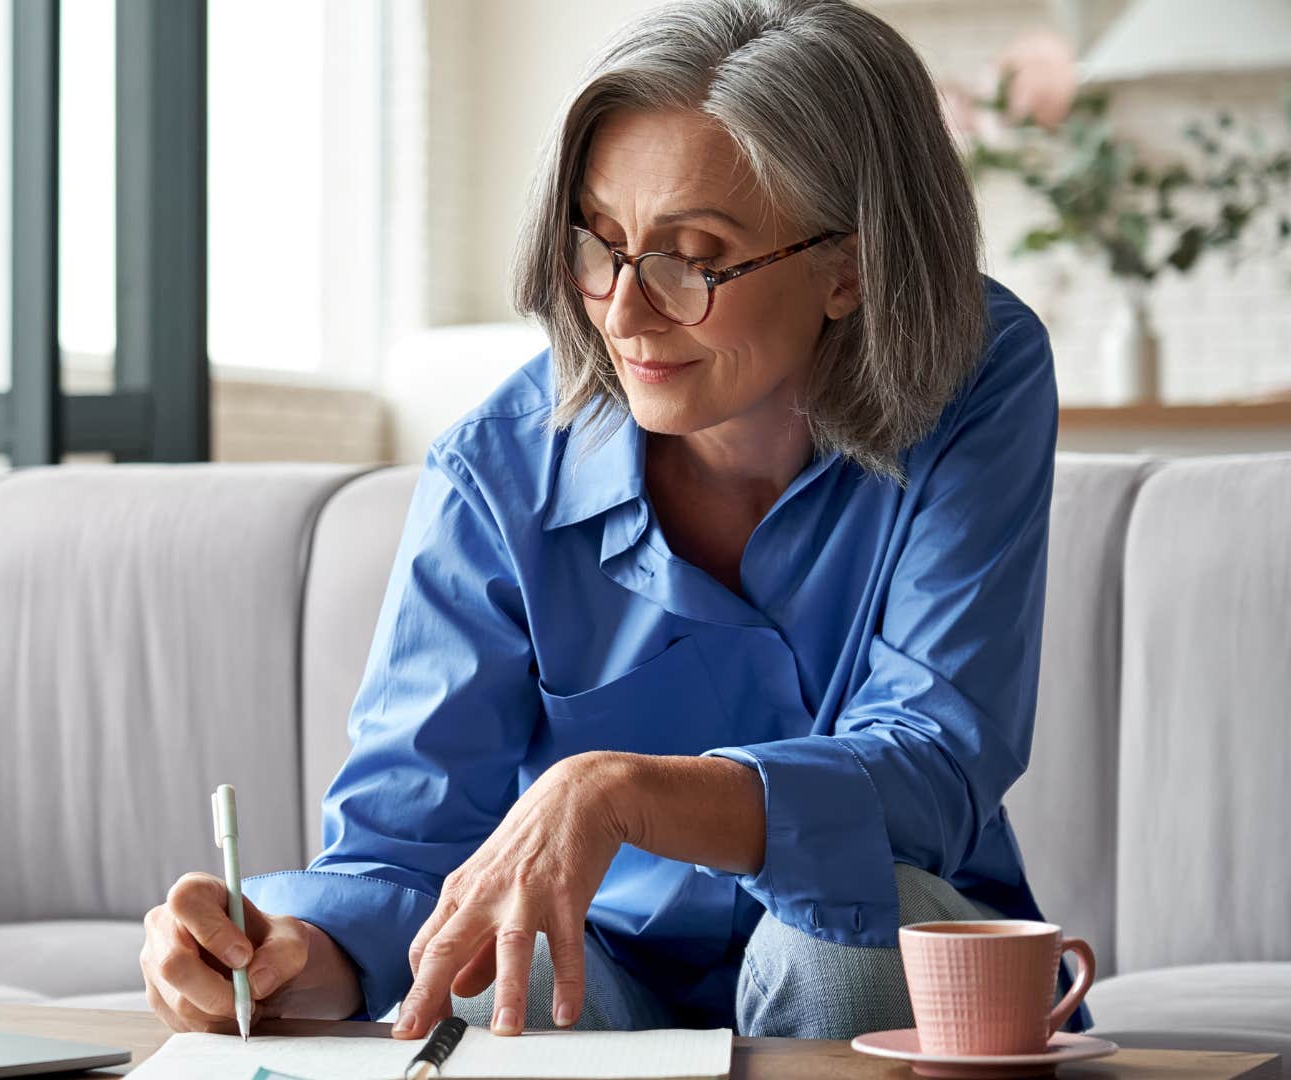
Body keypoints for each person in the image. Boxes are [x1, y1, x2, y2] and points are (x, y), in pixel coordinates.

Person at [141, 0, 1089, 1041]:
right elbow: (406, 857)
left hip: (871, 952)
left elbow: (935, 759)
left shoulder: (977, 375)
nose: (624, 312)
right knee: (492, 970)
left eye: (693, 258)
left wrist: (621, 792)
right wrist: (285, 958)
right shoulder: (494, 467)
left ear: (848, 268)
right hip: (607, 971)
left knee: (841, 930)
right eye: (598, 245)